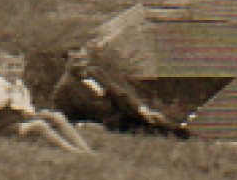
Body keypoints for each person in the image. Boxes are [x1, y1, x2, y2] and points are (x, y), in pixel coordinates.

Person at [52, 45, 190, 138]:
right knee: (159, 132)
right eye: (76, 61)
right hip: (109, 125)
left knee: (162, 121)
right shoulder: (63, 90)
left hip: (127, 115)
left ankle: (194, 133)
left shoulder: (96, 73)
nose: (82, 64)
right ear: (66, 63)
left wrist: (142, 109)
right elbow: (65, 122)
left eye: (84, 59)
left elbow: (120, 93)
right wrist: (83, 126)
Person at [0, 49, 95, 154]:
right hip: (3, 128)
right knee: (39, 125)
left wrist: (40, 115)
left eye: (18, 66)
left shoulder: (19, 86)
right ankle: (72, 151)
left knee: (57, 116)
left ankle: (85, 149)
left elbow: (24, 112)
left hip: (19, 121)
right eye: (9, 66)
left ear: (23, 67)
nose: (14, 70)